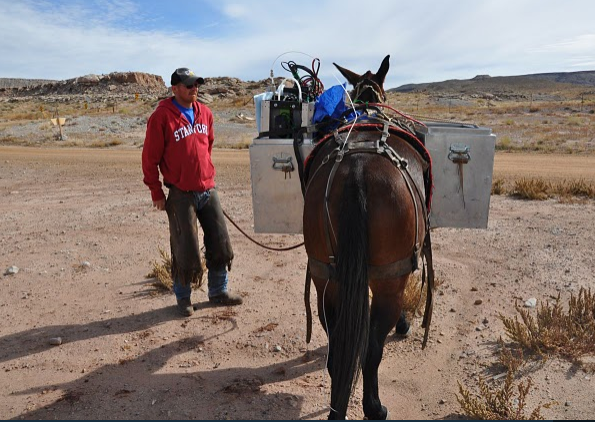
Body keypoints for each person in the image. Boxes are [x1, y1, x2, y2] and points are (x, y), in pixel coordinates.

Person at [142, 67, 242, 317]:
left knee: (220, 241)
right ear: (174, 89)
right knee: (184, 246)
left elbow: (207, 146)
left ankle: (218, 291)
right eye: (188, 85)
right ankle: (183, 298)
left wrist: (204, 172)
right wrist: (156, 191)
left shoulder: (205, 113)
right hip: (180, 192)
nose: (194, 88)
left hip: (207, 188)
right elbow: (149, 158)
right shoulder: (161, 117)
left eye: (196, 84)